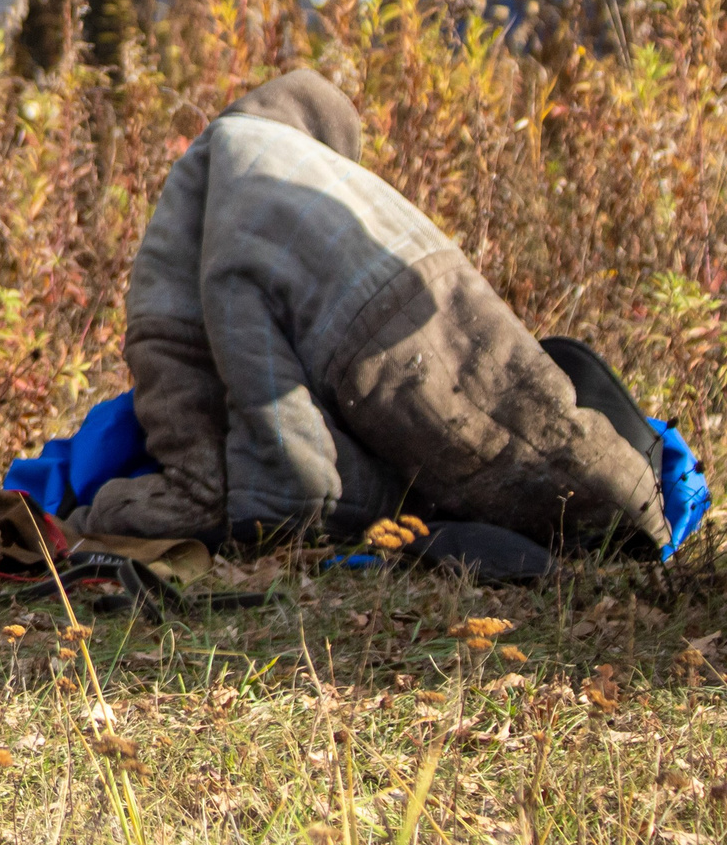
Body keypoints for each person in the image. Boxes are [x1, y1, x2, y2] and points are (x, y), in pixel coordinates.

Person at [73, 69, 667, 556]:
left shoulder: (222, 187)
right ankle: (646, 519)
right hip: (438, 282)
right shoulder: (310, 175)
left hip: (358, 342)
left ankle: (632, 529)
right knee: (543, 441)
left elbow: (270, 426)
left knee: (515, 474)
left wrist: (102, 516)